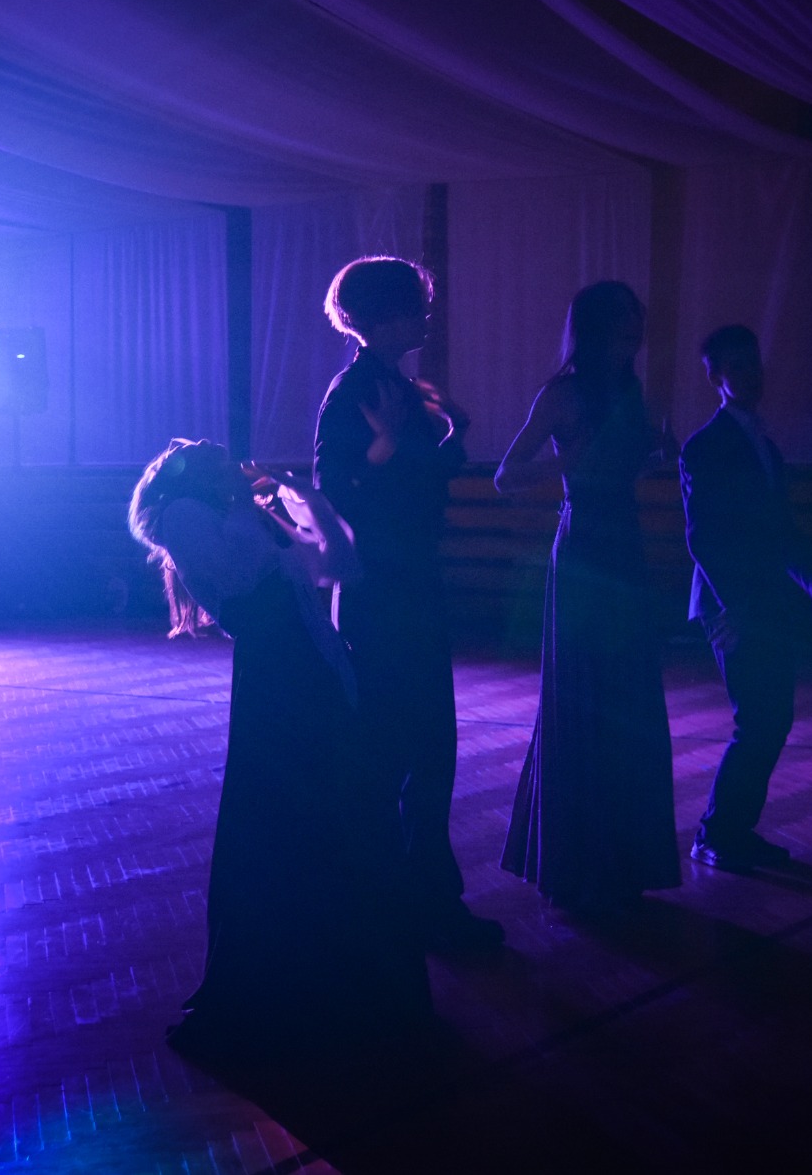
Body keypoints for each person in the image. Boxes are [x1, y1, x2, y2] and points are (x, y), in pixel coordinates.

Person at [130, 439, 431, 1057]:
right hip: (276, 680)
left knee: (344, 813)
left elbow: (339, 565)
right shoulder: (187, 517)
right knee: (291, 820)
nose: (233, 467)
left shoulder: (241, 514)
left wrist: (306, 498)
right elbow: (242, 581)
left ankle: (355, 979)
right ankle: (293, 985)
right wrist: (249, 507)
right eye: (218, 462)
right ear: (192, 475)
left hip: (313, 668)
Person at [314, 256, 503, 954]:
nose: (425, 318)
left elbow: (429, 471)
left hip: (407, 586)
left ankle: (412, 901)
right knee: (408, 752)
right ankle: (411, 906)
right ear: (386, 316)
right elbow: (334, 488)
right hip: (382, 592)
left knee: (424, 751)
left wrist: (446, 430)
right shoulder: (357, 389)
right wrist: (394, 444)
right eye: (416, 308)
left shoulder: (399, 383)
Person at [494, 282, 682, 912]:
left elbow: (628, 467)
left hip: (623, 548)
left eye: (638, 331)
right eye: (624, 331)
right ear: (595, 332)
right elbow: (505, 476)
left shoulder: (628, 390)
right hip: (580, 552)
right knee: (582, 699)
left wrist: (656, 458)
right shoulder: (563, 393)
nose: (634, 342)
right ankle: (577, 865)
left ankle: (624, 859)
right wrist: (566, 463)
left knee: (628, 701)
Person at [678, 325, 812, 872]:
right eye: (738, 366)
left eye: (755, 364)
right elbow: (703, 536)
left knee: (771, 717)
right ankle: (718, 833)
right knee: (760, 718)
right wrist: (734, 608)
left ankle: (729, 831)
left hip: (760, 603)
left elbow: (782, 531)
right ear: (715, 377)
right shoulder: (706, 446)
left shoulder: (763, 446)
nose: (752, 375)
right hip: (733, 608)